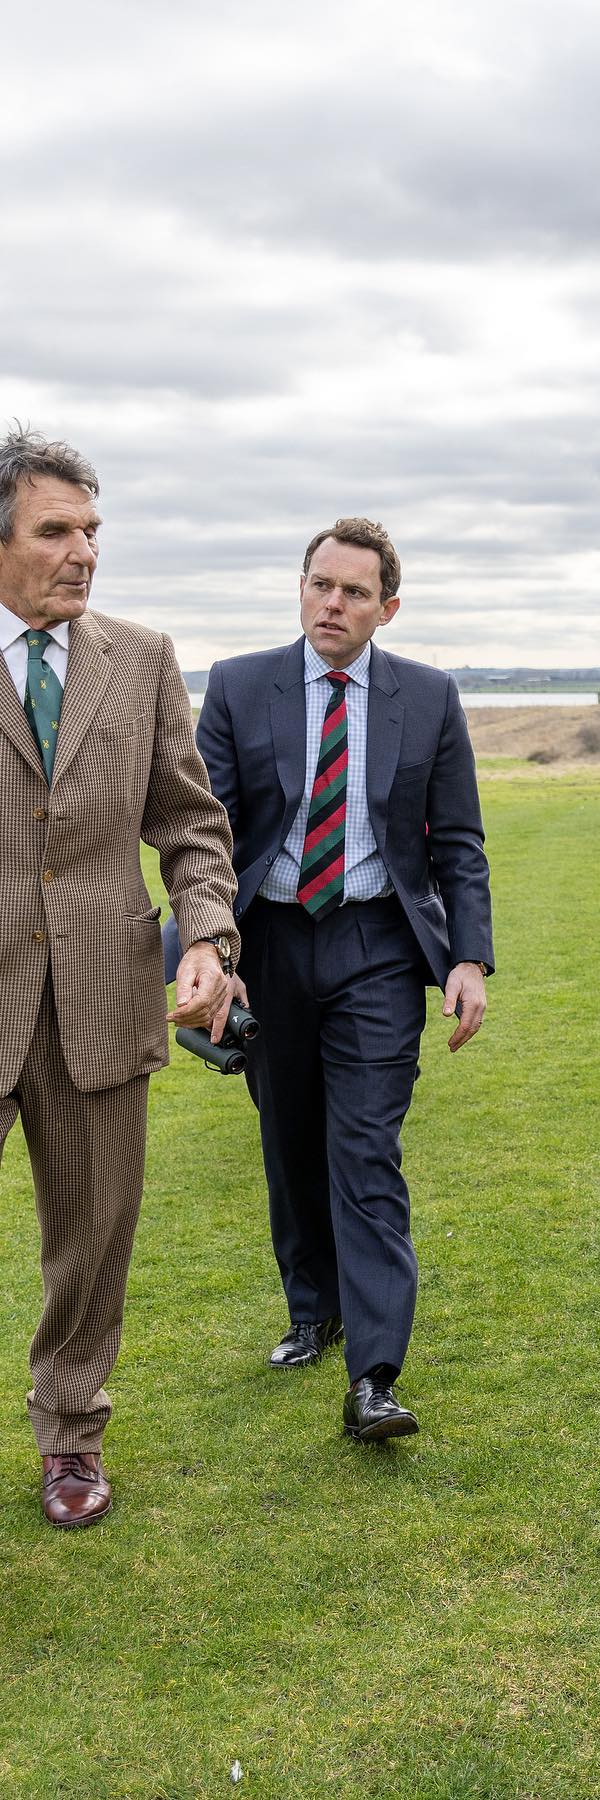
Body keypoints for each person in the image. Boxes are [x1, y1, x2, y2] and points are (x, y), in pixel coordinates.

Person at [189, 517, 493, 1442]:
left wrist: (468, 957)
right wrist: (217, 954)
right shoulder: (242, 687)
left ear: (386, 609)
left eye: (355, 592)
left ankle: (374, 1374)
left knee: (365, 1153)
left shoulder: (429, 698)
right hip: (270, 946)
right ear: (303, 587)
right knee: (291, 1142)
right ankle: (310, 1310)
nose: (333, 602)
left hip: (377, 948)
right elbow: (206, 835)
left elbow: (458, 842)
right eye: (321, 583)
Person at [0, 429, 238, 1527]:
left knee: (94, 1239)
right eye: (57, 530)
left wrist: (207, 939)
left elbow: (189, 822)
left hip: (103, 995)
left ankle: (72, 1438)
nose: (84, 552)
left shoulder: (140, 658)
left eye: (93, 531)